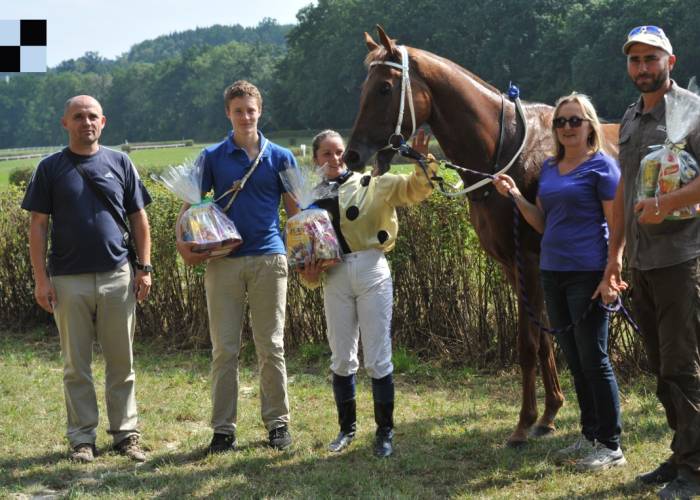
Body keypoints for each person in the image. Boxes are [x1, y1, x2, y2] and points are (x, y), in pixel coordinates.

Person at [493, 93, 625, 471]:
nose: (567, 128)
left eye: (575, 121)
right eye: (561, 122)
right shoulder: (551, 169)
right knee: (575, 359)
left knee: (594, 358)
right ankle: (589, 435)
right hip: (553, 272)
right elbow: (543, 223)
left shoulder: (602, 167)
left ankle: (611, 444)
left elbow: (617, 226)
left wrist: (611, 273)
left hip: (588, 273)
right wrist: (517, 196)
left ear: (590, 126)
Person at [22, 95, 152, 463]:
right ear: (65, 123)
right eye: (78, 116)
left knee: (121, 362)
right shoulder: (50, 169)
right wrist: (41, 279)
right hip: (67, 280)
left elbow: (139, 219)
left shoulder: (120, 163)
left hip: (117, 276)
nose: (86, 122)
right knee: (75, 365)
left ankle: (126, 434)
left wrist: (144, 268)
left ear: (103, 121)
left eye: (92, 116)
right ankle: (82, 439)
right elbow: (38, 226)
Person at [176, 80, 299, 453]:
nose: (245, 116)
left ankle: (278, 425)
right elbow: (188, 207)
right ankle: (223, 430)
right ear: (228, 114)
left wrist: (308, 254)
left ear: (260, 111)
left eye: (251, 110)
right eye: (238, 110)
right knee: (224, 348)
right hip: (222, 262)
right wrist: (183, 246)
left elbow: (296, 215)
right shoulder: (212, 156)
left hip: (270, 258)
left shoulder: (281, 157)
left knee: (271, 346)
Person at [603, 26, 700, 498]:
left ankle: (694, 470)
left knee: (684, 366)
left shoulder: (691, 111)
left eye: (651, 59)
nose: (642, 67)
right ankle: (682, 451)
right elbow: (622, 193)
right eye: (635, 60)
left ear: (670, 61)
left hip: (683, 259)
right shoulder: (629, 118)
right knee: (661, 366)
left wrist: (664, 204)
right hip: (642, 262)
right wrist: (614, 257)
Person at [297, 129, 436, 457]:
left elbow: (416, 189)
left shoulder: (373, 183)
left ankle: (384, 433)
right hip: (336, 275)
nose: (334, 158)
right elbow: (306, 256)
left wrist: (419, 158)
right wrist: (310, 277)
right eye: (326, 154)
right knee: (342, 357)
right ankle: (346, 429)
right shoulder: (309, 198)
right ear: (316, 159)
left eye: (339, 151)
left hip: (372, 268)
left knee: (377, 355)